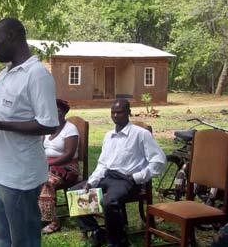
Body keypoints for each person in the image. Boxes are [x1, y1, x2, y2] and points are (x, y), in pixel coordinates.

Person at [0, 17, 59, 247]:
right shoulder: (6, 73)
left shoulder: (36, 74)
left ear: (12, 36)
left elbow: (48, 124)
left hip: (20, 177)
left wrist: (0, 125)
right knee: (2, 239)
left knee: (23, 241)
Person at [71, 99, 166, 247]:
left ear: (128, 113)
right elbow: (102, 164)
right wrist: (91, 181)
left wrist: (137, 177)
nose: (115, 115)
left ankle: (118, 241)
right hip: (108, 176)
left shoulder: (141, 134)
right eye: (113, 112)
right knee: (75, 192)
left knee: (108, 201)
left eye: (119, 112)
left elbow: (158, 161)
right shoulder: (109, 136)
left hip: (126, 180)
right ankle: (96, 231)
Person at [39, 99, 80, 234]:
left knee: (46, 183)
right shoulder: (47, 129)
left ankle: (53, 222)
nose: (54, 113)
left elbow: (69, 155)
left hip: (67, 167)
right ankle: (37, 214)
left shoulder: (70, 129)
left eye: (58, 111)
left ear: (64, 113)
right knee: (27, 178)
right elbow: (39, 148)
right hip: (48, 165)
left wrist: (48, 163)